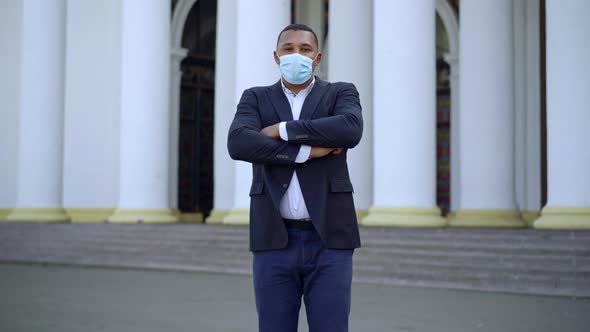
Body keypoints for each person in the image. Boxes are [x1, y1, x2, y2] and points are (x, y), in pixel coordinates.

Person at [227, 23, 363, 332]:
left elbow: (349, 129)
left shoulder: (341, 92)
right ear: (276, 56)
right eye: (288, 49)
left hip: (330, 239)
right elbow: (239, 142)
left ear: (317, 57)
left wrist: (280, 130)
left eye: (304, 49)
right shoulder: (256, 98)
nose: (296, 55)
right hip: (273, 238)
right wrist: (307, 152)